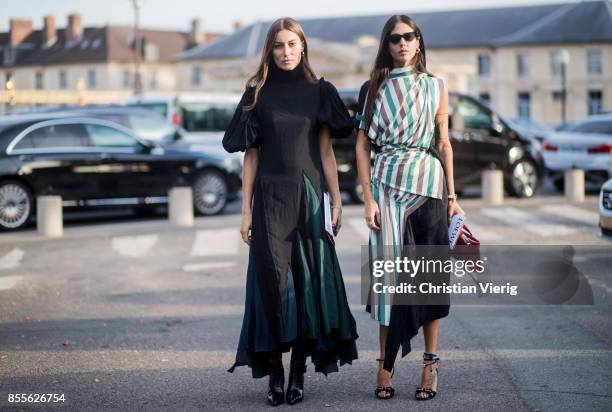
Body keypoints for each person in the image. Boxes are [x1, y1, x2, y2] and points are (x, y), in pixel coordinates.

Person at [223, 17, 358, 407]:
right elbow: (251, 156)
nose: (286, 52)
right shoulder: (257, 93)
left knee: (307, 285)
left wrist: (336, 198)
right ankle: (275, 375)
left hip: (310, 198)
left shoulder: (320, 91)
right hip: (269, 200)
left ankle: (298, 372)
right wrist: (246, 213)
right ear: (271, 50)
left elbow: (327, 152)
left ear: (303, 47)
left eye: (292, 44)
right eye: (279, 45)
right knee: (273, 284)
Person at [355, 15, 464, 401]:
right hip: (385, 188)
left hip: (429, 185)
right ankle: (384, 365)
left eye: (409, 37)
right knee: (386, 281)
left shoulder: (436, 86)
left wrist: (452, 197)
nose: (402, 43)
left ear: (419, 42)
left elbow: (444, 141)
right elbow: (361, 147)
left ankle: (430, 363)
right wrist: (367, 198)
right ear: (386, 45)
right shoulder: (372, 88)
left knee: (428, 277)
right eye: (395, 38)